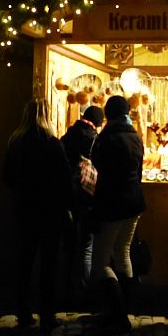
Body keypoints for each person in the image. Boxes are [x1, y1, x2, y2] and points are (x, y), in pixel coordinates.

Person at [3, 97, 72, 333]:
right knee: (49, 263)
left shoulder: (15, 142)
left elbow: (7, 176)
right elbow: (64, 178)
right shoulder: (52, 143)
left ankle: (23, 312)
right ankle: (47, 314)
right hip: (49, 210)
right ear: (47, 115)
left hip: (23, 209)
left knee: (24, 261)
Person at [88, 95, 146, 336]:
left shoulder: (105, 139)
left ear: (108, 114)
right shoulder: (136, 137)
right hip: (134, 202)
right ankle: (126, 308)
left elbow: (98, 169)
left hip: (112, 204)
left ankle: (117, 314)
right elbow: (138, 171)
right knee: (123, 252)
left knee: (100, 263)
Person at [60, 105, 104, 303]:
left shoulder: (67, 136)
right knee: (87, 245)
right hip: (87, 197)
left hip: (67, 197)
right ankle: (84, 292)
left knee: (68, 245)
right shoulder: (95, 139)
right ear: (98, 122)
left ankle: (65, 289)